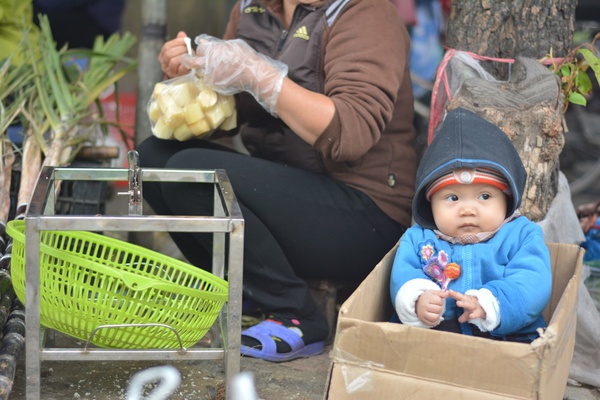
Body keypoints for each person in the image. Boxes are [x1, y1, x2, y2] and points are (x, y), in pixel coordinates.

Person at [136, 0, 416, 362]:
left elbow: (351, 132)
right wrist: (190, 75)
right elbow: (229, 110)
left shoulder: (363, 12)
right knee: (153, 157)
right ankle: (244, 293)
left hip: (364, 213)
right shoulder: (252, 8)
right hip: (286, 196)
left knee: (197, 170)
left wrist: (260, 76)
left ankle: (298, 316)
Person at [390, 107, 552, 343]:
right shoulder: (419, 239)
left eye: (484, 196)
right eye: (452, 198)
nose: (468, 209)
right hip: (436, 336)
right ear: (430, 203)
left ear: (506, 198)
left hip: (505, 335)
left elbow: (533, 281)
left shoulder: (522, 236)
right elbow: (403, 274)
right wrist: (418, 299)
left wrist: (490, 304)